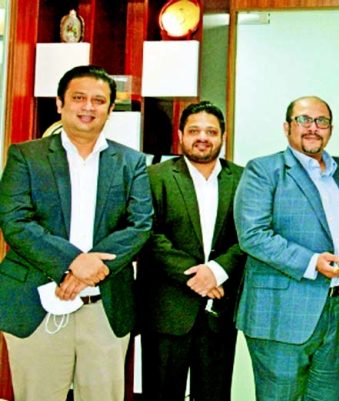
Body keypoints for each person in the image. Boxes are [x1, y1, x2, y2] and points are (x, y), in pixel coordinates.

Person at [0, 65, 153, 401]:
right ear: (60, 103)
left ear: (111, 109)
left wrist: (88, 272)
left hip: (106, 305)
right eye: (79, 98)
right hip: (37, 302)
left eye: (99, 100)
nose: (88, 107)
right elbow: (15, 221)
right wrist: (73, 262)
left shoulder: (131, 162)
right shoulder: (26, 156)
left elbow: (140, 224)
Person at [234, 95, 339, 400]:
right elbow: (253, 235)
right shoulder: (263, 170)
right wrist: (312, 262)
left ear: (331, 129)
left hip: (336, 307)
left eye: (322, 121)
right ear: (287, 127)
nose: (313, 128)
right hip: (280, 314)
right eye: (304, 120)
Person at [138, 101, 246, 401]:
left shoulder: (244, 180)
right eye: (195, 130)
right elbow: (148, 235)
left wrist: (217, 271)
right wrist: (197, 275)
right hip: (167, 310)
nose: (203, 137)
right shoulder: (154, 177)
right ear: (181, 134)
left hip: (220, 312)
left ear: (223, 136)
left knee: (214, 395)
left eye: (211, 131)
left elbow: (251, 237)